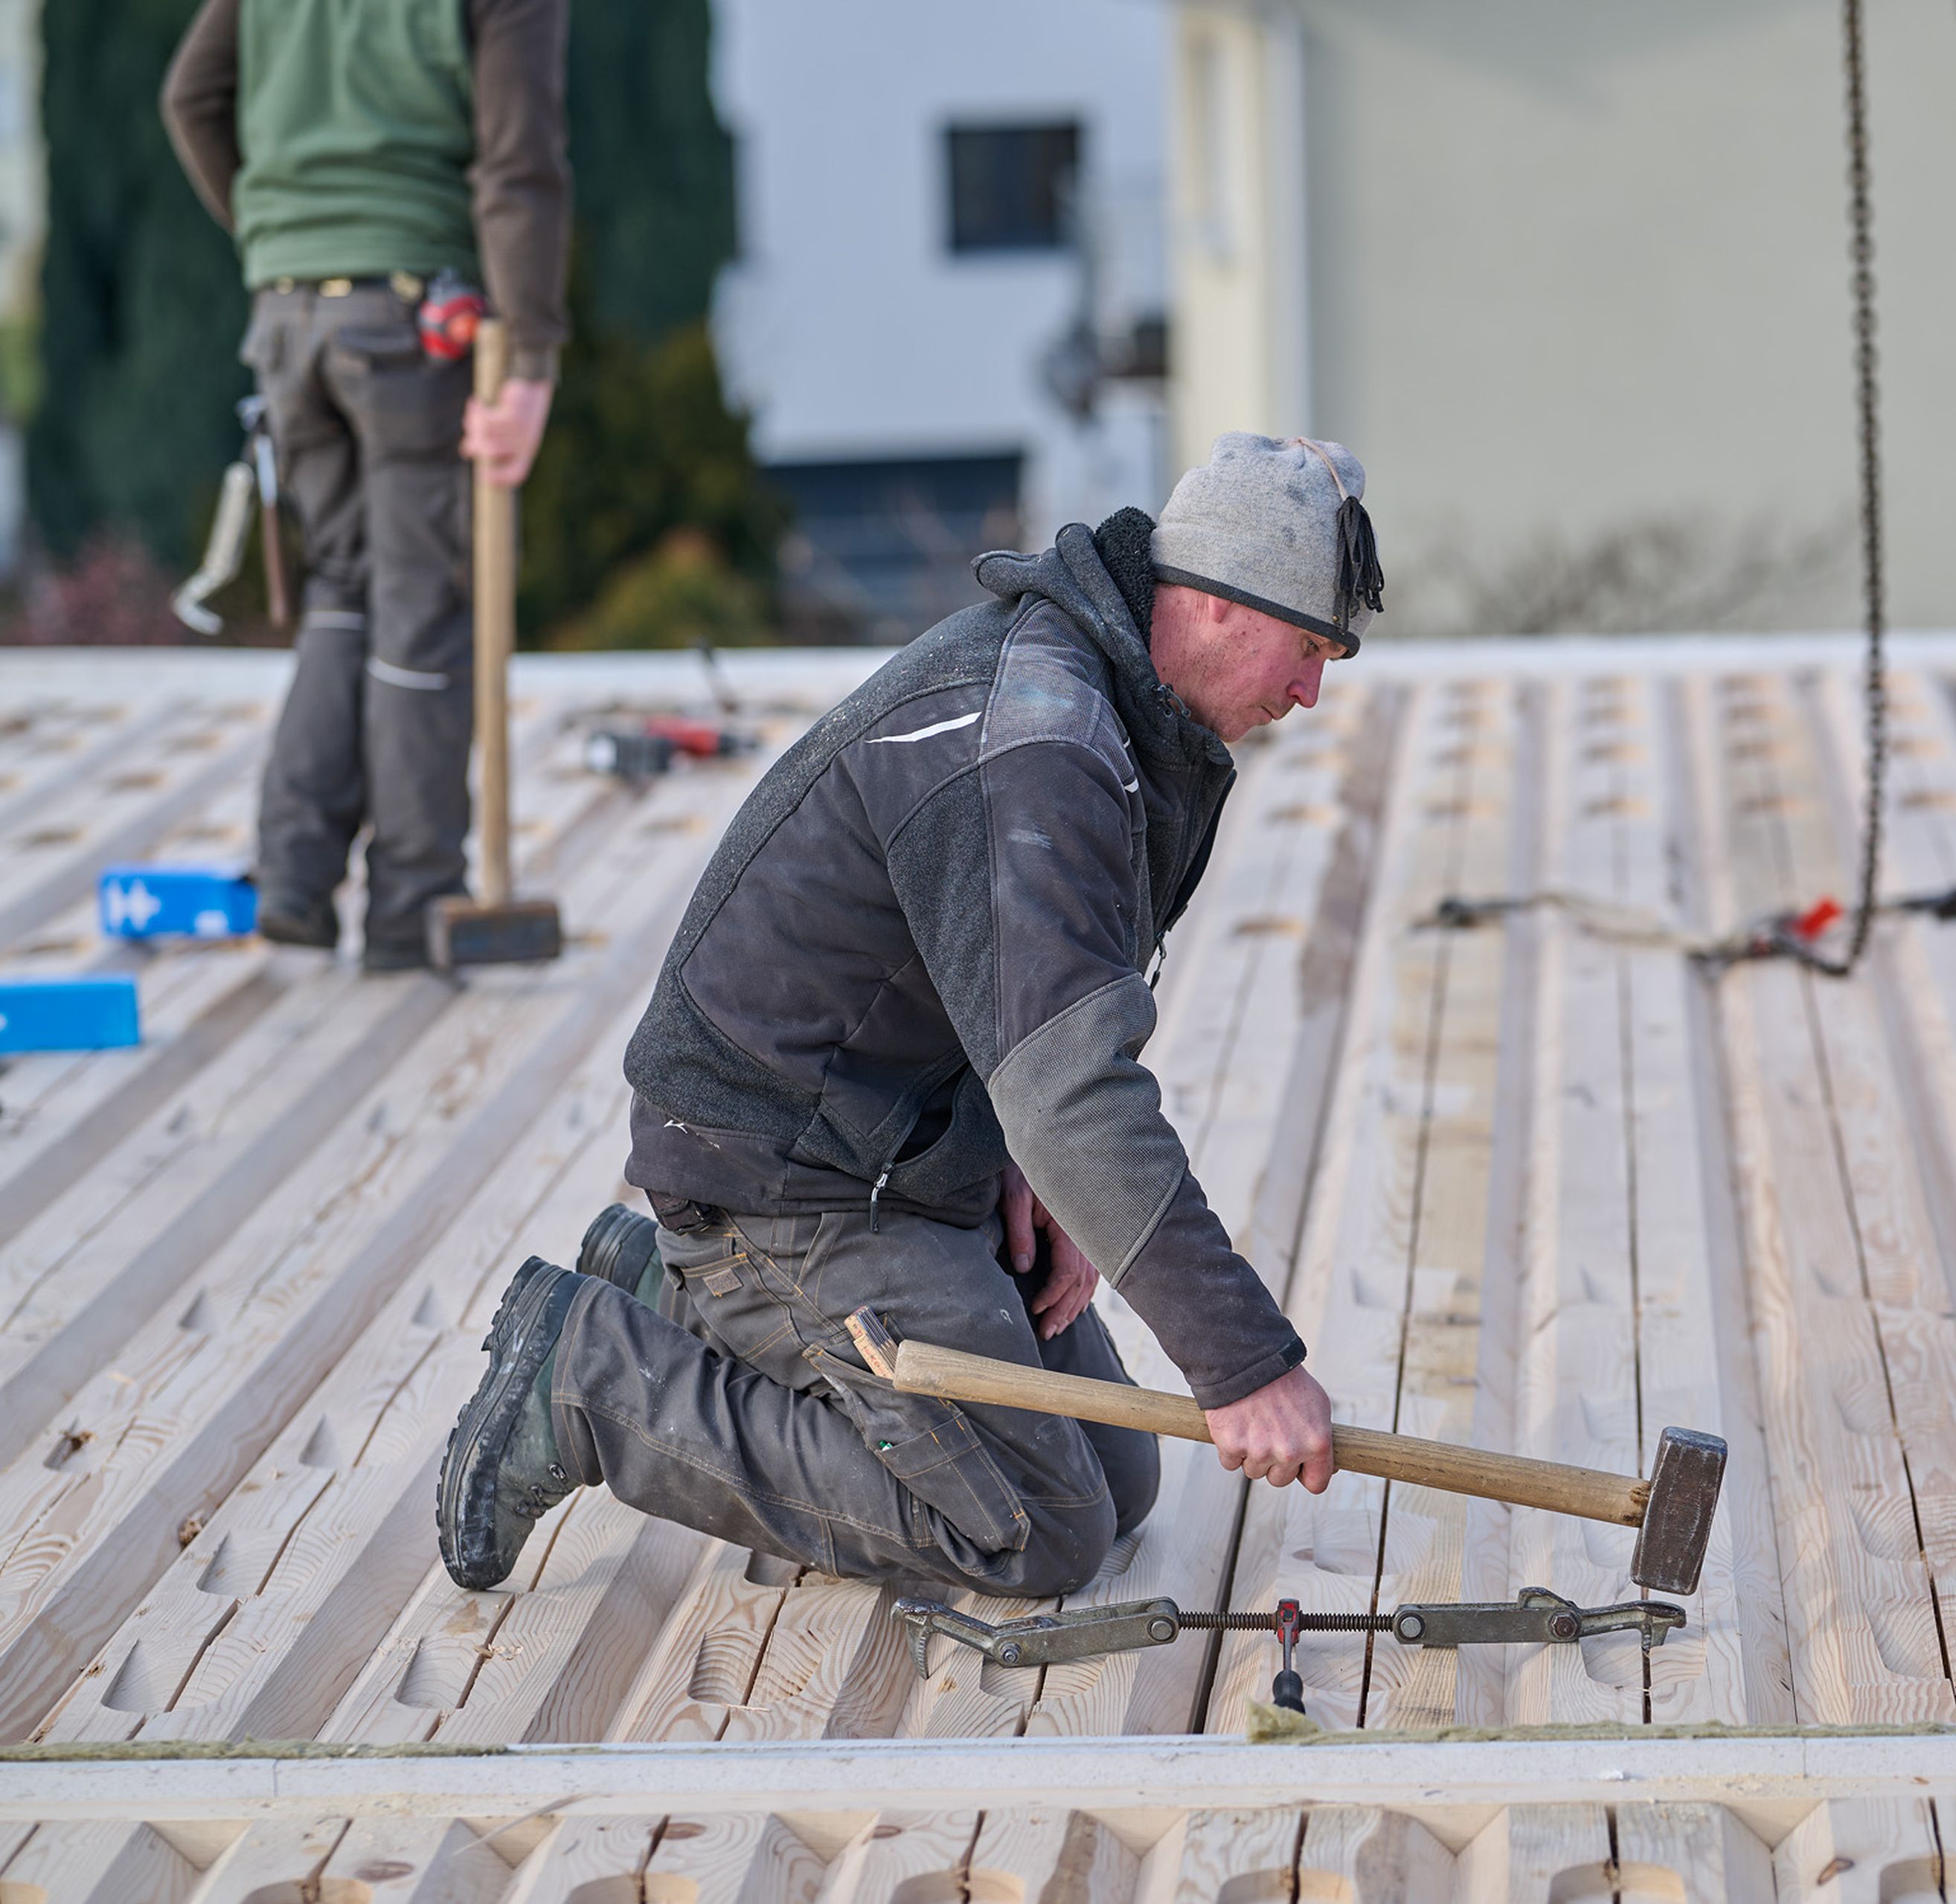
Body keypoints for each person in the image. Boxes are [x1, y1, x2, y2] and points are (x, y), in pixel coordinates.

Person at [437, 435, 1381, 1595]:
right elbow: (1075, 1089)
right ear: (1223, 605)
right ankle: (594, 1380)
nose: (1310, 691)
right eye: (1308, 648)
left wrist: (1044, 1164)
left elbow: (1025, 1009)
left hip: (897, 1143)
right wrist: (1246, 1366)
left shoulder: (1110, 698)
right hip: (785, 1171)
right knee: (1037, 1530)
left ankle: (662, 1289)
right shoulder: (1039, 739)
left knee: (1116, 1475)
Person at [163, 0, 569, 970]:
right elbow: (519, 165)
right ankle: (412, 909)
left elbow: (191, 98)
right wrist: (533, 366)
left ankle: (295, 878)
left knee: (344, 588)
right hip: (405, 315)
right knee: (421, 606)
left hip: (286, 316)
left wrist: (279, 238)